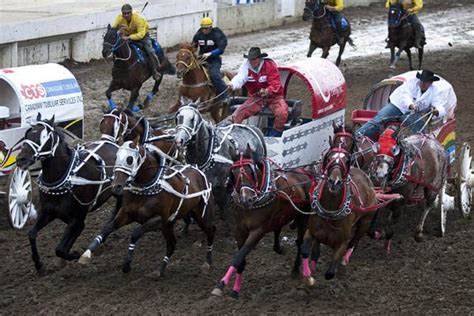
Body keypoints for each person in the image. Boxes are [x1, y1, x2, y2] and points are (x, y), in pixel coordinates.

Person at [356, 70, 456, 141]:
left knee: (420, 128)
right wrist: (411, 105)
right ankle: (357, 136)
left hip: (412, 113)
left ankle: (420, 146)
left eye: (426, 82)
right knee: (378, 119)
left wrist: (437, 110)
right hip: (397, 106)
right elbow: (405, 95)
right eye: (422, 81)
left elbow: (438, 104)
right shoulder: (411, 83)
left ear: (430, 83)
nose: (423, 83)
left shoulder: (434, 91)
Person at [227, 47, 289, 137]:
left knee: (282, 112)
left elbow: (276, 84)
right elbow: (240, 77)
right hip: (256, 98)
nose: (252, 61)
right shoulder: (246, 67)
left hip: (275, 97)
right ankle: (232, 132)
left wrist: (268, 91)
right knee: (239, 112)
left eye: (254, 59)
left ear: (259, 59)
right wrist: (232, 85)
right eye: (250, 59)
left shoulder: (269, 65)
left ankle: (276, 133)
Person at [112, 3, 161, 80]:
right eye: (124, 13)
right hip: (128, 35)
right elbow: (113, 28)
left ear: (131, 13)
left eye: (128, 13)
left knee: (150, 51)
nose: (126, 15)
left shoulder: (139, 19)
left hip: (143, 37)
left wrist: (128, 37)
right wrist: (118, 31)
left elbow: (141, 34)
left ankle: (155, 70)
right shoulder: (119, 18)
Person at [192, 17, 229, 104]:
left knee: (214, 76)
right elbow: (194, 45)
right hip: (201, 59)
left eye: (206, 28)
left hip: (214, 60)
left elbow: (221, 48)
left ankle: (225, 95)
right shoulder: (199, 34)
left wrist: (211, 53)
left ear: (210, 27)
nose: (204, 30)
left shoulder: (217, 34)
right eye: (202, 28)